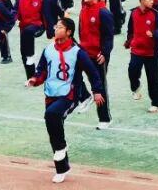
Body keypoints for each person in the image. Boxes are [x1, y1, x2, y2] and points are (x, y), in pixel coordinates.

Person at [26, 17, 106, 185]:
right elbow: (42, 70)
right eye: (56, 26)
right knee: (53, 126)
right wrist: (35, 79)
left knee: (51, 115)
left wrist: (97, 91)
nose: (56, 29)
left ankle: (61, 148)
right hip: (51, 94)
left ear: (69, 32)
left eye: (60, 27)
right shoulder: (48, 49)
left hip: (69, 95)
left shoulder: (77, 52)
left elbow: (92, 72)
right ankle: (62, 169)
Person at [77, 0, 114, 130]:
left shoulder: (103, 12)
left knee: (99, 86)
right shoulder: (83, 10)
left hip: (98, 56)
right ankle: (85, 96)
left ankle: (104, 118)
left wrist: (104, 53)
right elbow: (80, 31)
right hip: (84, 53)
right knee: (72, 75)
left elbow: (108, 36)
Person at [124, 0, 158, 112]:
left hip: (151, 52)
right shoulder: (134, 13)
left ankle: (157, 103)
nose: (152, 1)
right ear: (142, 0)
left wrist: (154, 33)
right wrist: (129, 41)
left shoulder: (154, 14)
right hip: (136, 50)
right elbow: (130, 30)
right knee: (132, 71)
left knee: (153, 78)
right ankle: (136, 87)